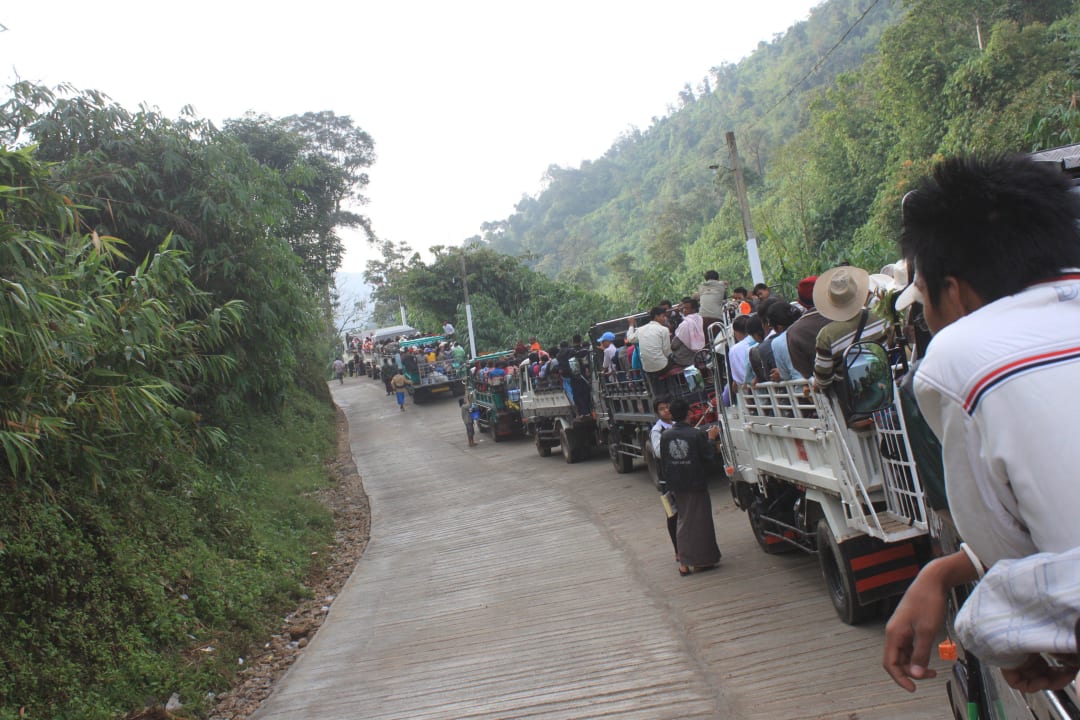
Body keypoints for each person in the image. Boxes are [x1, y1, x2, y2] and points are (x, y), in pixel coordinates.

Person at [882, 154, 1080, 694]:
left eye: (922, 297)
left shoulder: (960, 357)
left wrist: (1001, 633)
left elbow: (1006, 553)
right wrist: (943, 570)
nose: (924, 316)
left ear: (956, 290)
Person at [659, 398, 722, 576]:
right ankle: (697, 560)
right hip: (694, 482)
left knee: (683, 520)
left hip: (677, 484)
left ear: (672, 415)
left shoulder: (666, 436)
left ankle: (685, 562)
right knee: (699, 522)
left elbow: (665, 462)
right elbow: (708, 456)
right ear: (688, 413)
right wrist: (711, 439)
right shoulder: (695, 435)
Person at [811, 265, 887, 392]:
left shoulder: (827, 335)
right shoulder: (880, 317)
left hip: (854, 395)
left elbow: (823, 380)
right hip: (885, 385)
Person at [650, 396, 678, 560]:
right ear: (657, 413)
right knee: (671, 515)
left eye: (668, 407)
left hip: (680, 476)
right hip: (666, 480)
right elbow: (659, 452)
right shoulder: (657, 430)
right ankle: (677, 550)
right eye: (662, 408)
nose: (666, 410)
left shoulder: (676, 425)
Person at [626, 307, 674, 379]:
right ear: (656, 317)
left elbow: (630, 339)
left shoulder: (641, 329)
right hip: (662, 367)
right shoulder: (664, 330)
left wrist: (631, 325)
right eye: (663, 316)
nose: (665, 319)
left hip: (647, 369)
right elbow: (667, 352)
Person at [671, 298, 705, 367]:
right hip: (700, 355)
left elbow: (674, 346)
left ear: (693, 309)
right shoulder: (699, 318)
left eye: (686, 308)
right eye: (683, 308)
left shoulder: (685, 324)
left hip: (685, 359)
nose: (684, 311)